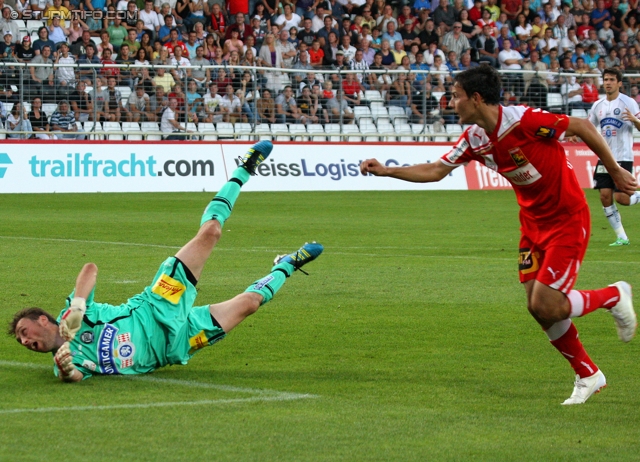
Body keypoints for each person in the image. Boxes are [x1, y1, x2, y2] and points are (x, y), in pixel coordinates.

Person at [360, 66, 638, 406]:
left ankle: (612, 295)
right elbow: (436, 170)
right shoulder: (475, 139)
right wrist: (387, 170)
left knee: (545, 303)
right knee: (537, 308)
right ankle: (588, 374)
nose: (452, 102)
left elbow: (579, 126)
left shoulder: (523, 121)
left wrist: (613, 168)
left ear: (476, 99)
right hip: (532, 225)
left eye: (457, 95)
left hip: (567, 219)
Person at [9, 141, 325, 382]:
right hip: (175, 346)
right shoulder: (62, 361)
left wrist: (78, 305)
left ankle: (243, 169)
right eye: (21, 338)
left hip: (159, 303)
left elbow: (89, 270)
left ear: (43, 320)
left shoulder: (72, 318)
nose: (24, 340)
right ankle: (286, 265)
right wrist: (66, 372)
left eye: (25, 331)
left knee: (211, 232)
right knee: (250, 304)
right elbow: (75, 376)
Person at [588, 68, 640, 246]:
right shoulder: (598, 105)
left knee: (622, 198)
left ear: (619, 83)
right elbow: (588, 127)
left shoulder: (629, 103)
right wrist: (574, 135)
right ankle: (622, 237)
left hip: (623, 156)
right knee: (604, 196)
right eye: (605, 79)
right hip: (605, 157)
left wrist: (635, 121)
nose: (608, 82)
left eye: (611, 79)